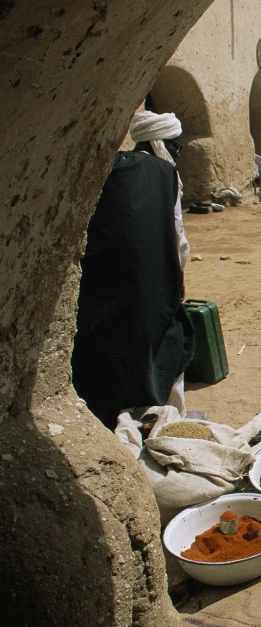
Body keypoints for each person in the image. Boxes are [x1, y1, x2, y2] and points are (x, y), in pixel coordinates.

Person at [72, 111, 195, 429]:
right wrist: (175, 284)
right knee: (169, 346)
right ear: (160, 143)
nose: (177, 154)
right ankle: (170, 424)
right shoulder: (166, 174)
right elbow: (179, 241)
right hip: (151, 286)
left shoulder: (108, 170)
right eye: (175, 147)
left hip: (103, 288)